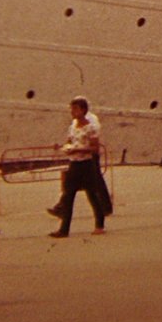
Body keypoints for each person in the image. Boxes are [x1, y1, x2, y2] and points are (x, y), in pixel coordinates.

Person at [49, 96, 107, 238]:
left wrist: (79, 150)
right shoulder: (73, 126)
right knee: (68, 196)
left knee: (91, 194)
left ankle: (99, 224)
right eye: (71, 109)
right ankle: (64, 229)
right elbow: (69, 142)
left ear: (83, 110)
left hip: (87, 165)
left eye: (75, 109)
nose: (72, 112)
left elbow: (94, 149)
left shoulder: (91, 128)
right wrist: (62, 147)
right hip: (74, 164)